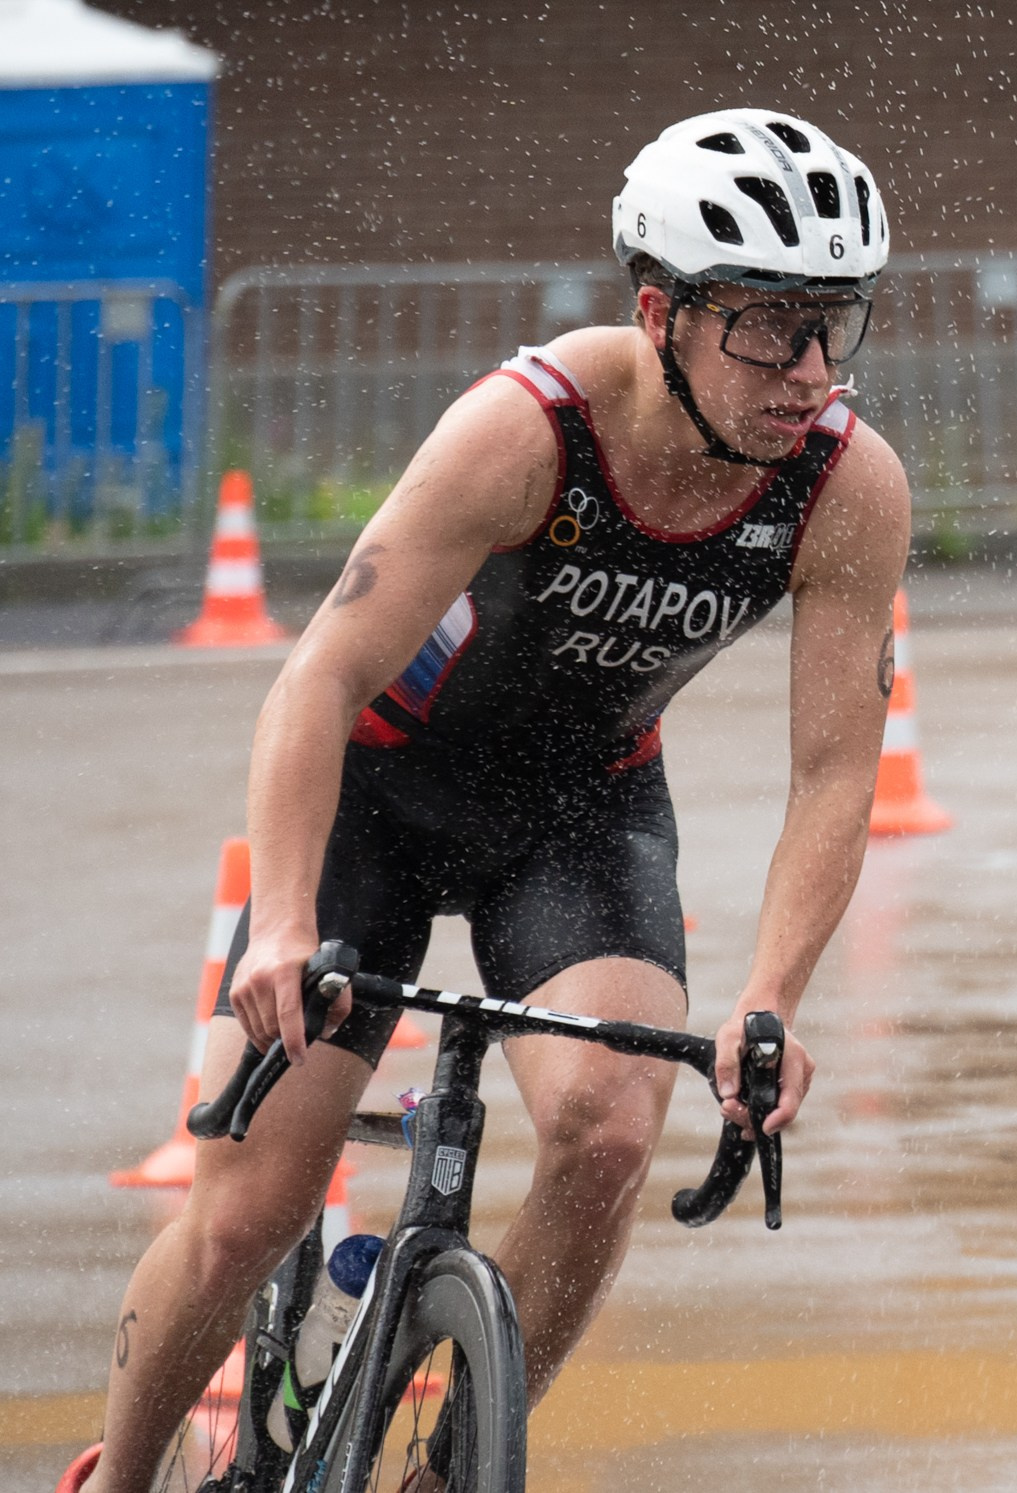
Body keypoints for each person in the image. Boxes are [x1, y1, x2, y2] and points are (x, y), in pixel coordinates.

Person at [70, 108, 909, 1493]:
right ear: (661, 312)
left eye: (835, 324)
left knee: (611, 1132)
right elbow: (322, 675)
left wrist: (770, 996)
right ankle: (116, 1476)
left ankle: (444, 1461)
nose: (808, 371)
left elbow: (832, 771)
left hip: (578, 814)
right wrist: (280, 921)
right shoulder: (528, 432)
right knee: (247, 1212)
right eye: (765, 325)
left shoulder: (842, 485)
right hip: (380, 805)